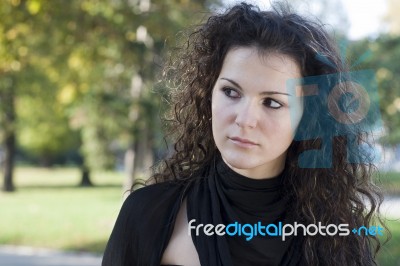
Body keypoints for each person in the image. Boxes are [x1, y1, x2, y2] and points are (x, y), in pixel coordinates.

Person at [102, 2, 387, 266]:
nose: (245, 119)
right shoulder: (149, 214)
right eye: (230, 92)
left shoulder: (338, 240)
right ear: (208, 94)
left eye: (272, 102)